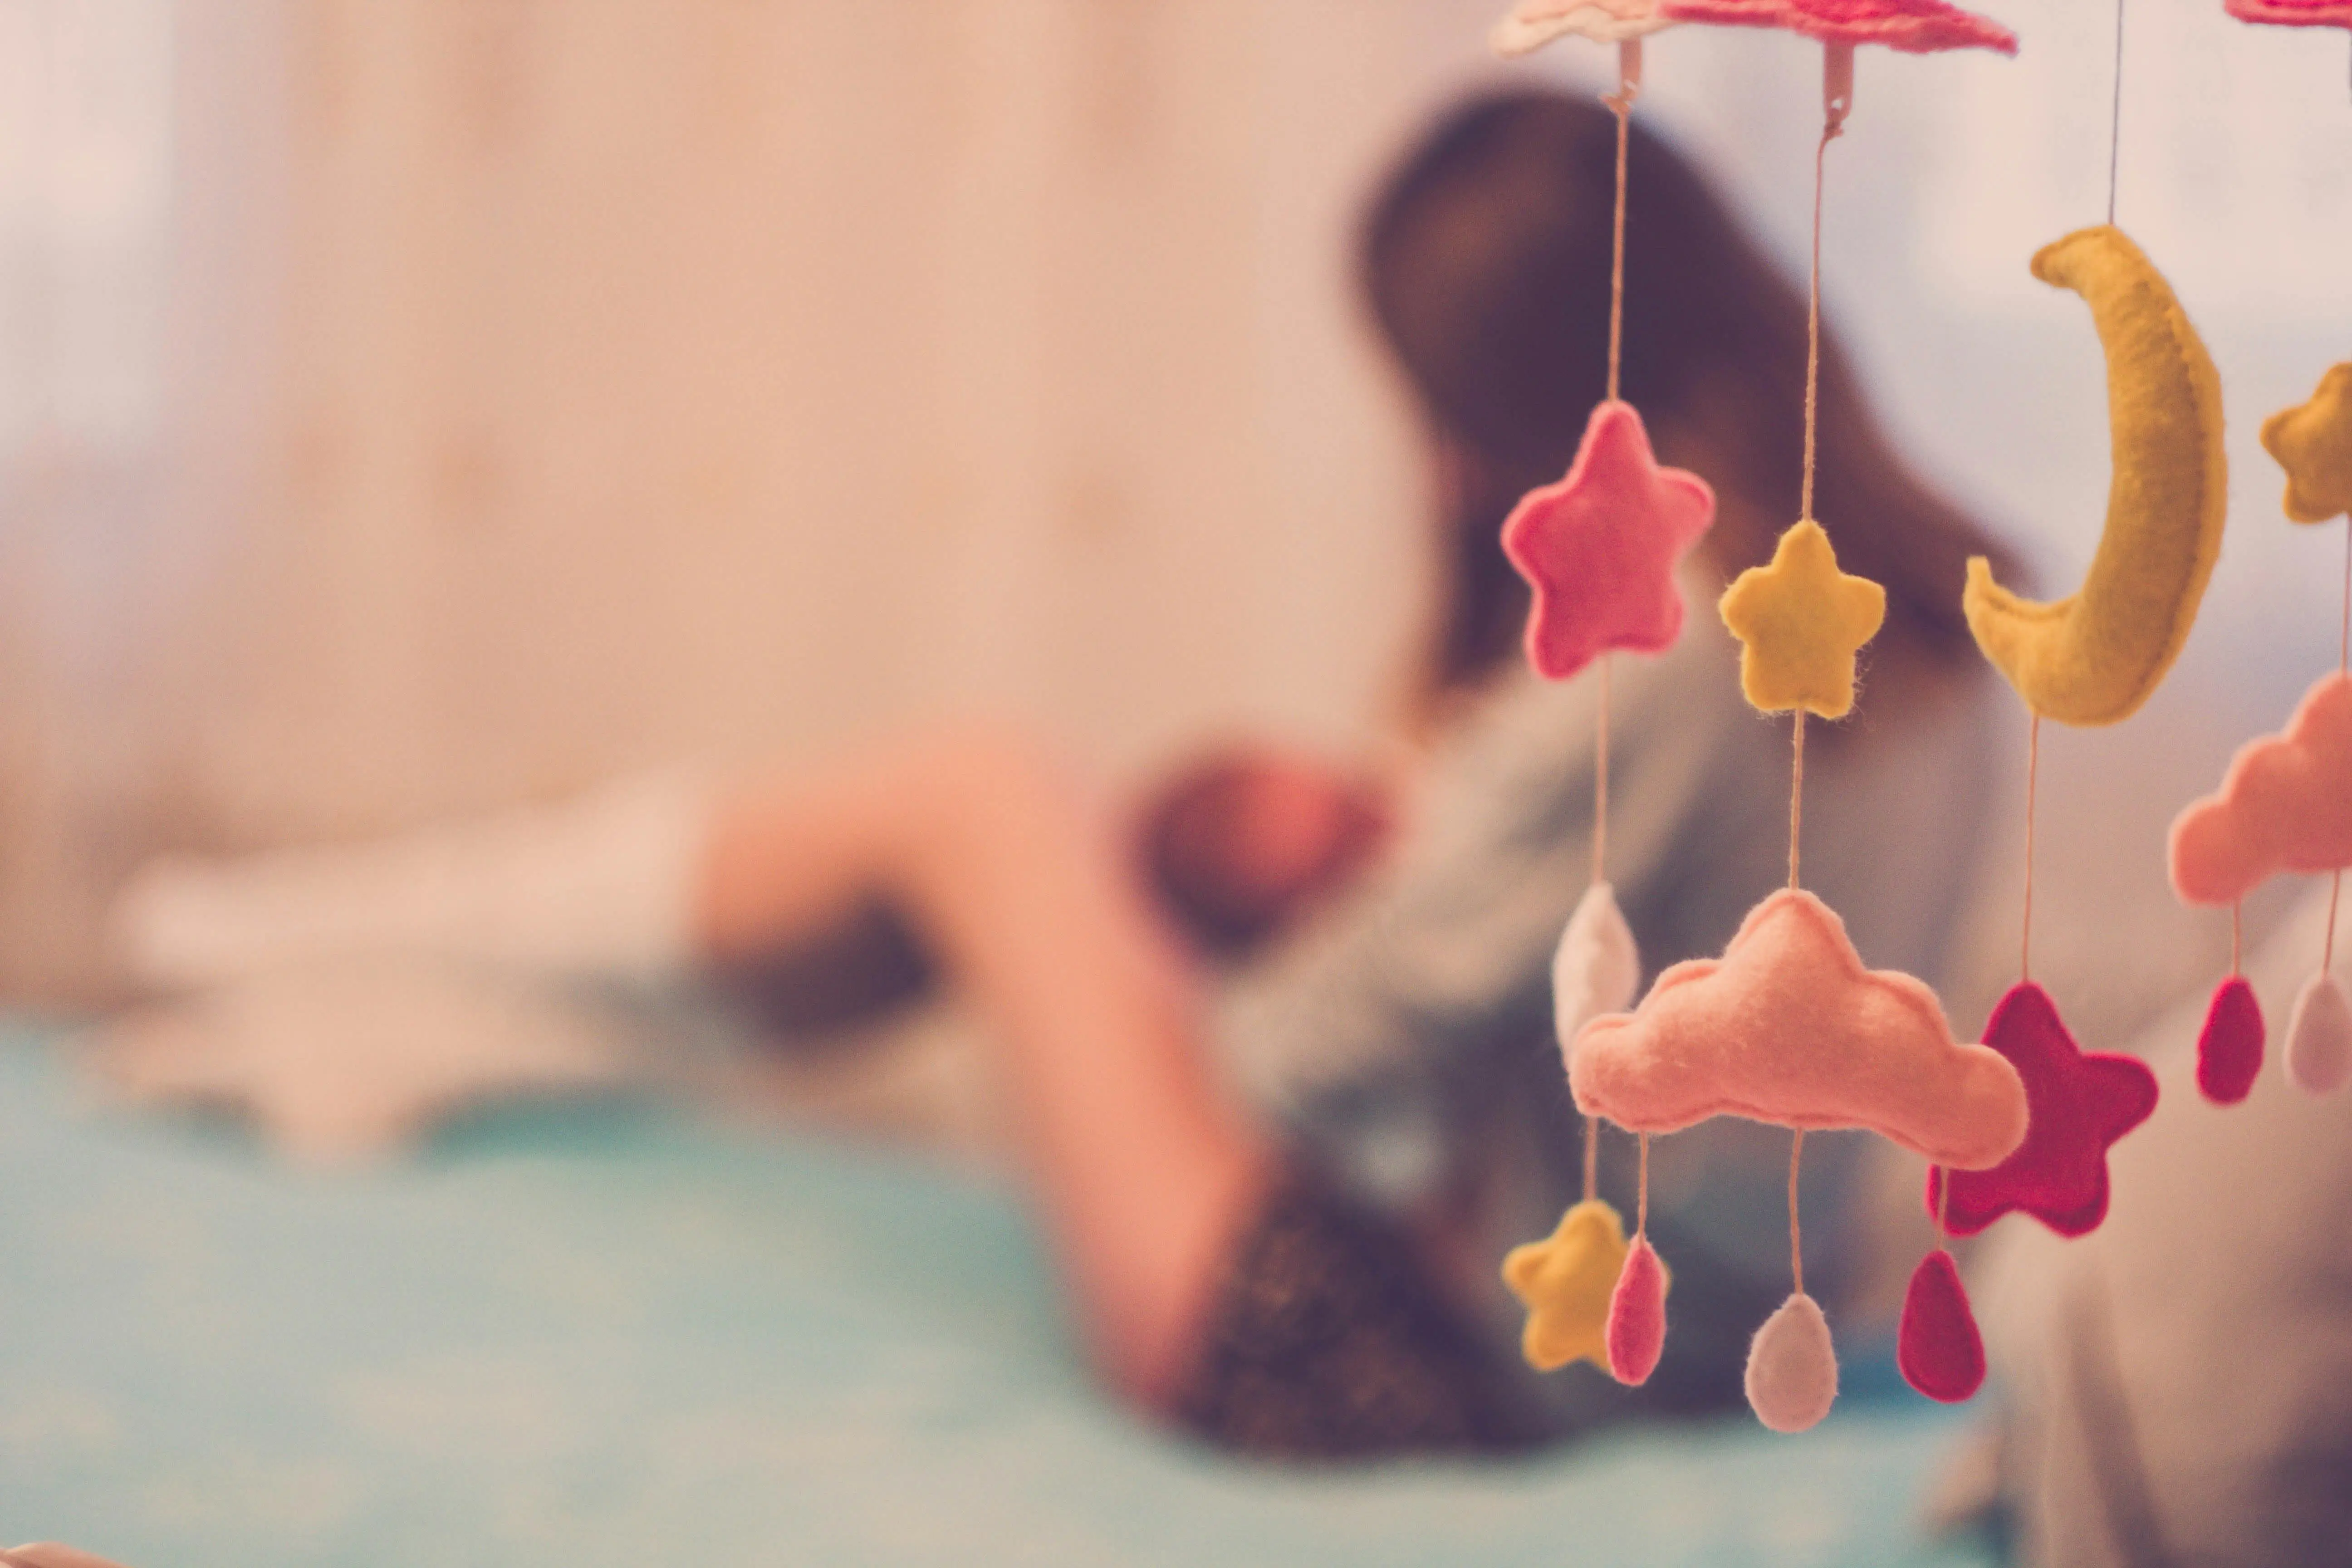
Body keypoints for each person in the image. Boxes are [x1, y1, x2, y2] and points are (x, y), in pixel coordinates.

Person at [110, 88, 2021, 1457]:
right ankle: (407, 1003)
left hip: (1416, 1359)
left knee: (984, 802)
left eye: (1445, 418)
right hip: (1679, 1352)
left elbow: (1291, 1061)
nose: (1442, 477)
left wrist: (1235, 914)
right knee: (1003, 835)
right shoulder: (1920, 603)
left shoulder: (1665, 654)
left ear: (1526, 394)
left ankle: (333, 956)